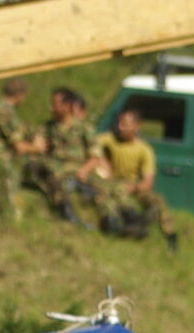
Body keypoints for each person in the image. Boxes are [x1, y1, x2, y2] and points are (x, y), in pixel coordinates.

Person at [82, 105, 178, 249]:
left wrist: (134, 188)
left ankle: (170, 237)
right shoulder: (109, 139)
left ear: (136, 126)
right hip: (113, 182)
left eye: (125, 124)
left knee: (157, 201)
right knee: (117, 194)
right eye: (119, 123)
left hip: (134, 185)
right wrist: (102, 161)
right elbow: (92, 144)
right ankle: (130, 220)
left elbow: (148, 180)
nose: (120, 127)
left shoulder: (144, 149)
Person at [34, 86, 97, 215]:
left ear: (67, 105)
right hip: (55, 167)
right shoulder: (48, 127)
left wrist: (84, 171)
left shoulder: (84, 127)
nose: (51, 108)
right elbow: (38, 145)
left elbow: (95, 156)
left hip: (75, 168)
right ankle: (65, 208)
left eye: (55, 104)